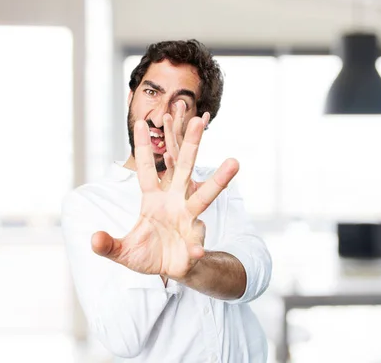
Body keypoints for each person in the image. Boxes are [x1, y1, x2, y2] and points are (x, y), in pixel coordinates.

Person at [61, 40, 272, 362]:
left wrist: (192, 267)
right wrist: (160, 267)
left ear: (203, 119)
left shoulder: (215, 186)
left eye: (181, 102)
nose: (160, 115)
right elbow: (121, 339)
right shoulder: (88, 204)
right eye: (152, 92)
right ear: (131, 97)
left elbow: (254, 278)